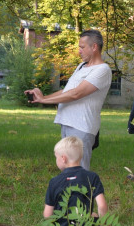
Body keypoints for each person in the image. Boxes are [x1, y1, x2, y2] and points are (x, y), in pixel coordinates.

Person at [26, 30, 112, 171]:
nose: (79, 51)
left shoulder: (102, 69)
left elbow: (76, 94)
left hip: (82, 127)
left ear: (94, 47)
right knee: (66, 167)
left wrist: (44, 100)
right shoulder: (81, 66)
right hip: (67, 123)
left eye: (82, 47)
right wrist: (42, 98)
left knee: (79, 170)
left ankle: (81, 187)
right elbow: (67, 91)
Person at [43, 136, 110, 226]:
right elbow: (102, 205)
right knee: (94, 216)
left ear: (63, 158)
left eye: (56, 157)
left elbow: (47, 215)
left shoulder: (54, 182)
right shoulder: (92, 177)